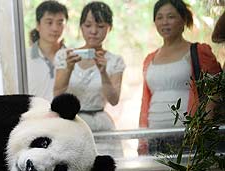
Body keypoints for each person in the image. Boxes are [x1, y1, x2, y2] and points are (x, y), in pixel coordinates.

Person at [138, 0, 222, 154]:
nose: (165, 22)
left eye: (171, 17)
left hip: (189, 135)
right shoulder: (150, 59)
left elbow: (216, 90)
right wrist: (142, 138)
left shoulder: (198, 51)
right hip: (155, 137)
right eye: (159, 17)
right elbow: (145, 101)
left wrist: (203, 126)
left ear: (183, 19)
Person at [53, 1, 125, 133]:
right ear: (81, 27)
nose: (93, 31)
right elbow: (57, 94)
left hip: (101, 125)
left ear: (110, 28)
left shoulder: (114, 61)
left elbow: (114, 100)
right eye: (88, 25)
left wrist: (103, 73)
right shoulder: (65, 56)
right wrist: (69, 69)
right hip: (71, 124)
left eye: (100, 26)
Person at [27, 1, 68, 101]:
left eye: (60, 23)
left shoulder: (72, 57)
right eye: (49, 22)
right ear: (38, 25)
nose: (55, 28)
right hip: (34, 114)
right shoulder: (24, 58)